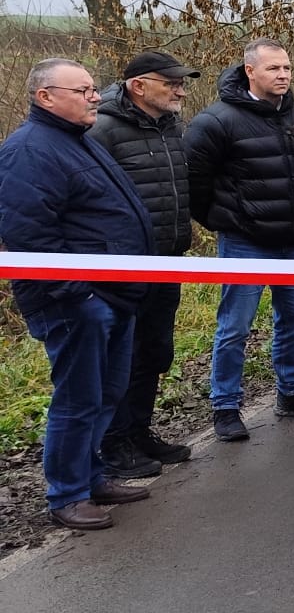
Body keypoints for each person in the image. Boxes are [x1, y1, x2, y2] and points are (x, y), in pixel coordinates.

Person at [0, 59, 154, 530]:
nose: (95, 97)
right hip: (76, 303)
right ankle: (67, 494)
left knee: (106, 393)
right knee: (78, 398)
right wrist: (80, 296)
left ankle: (91, 476)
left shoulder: (77, 139)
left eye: (93, 89)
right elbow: (29, 236)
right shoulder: (29, 151)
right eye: (83, 90)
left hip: (113, 294)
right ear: (45, 96)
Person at [184, 37, 294, 440]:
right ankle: (225, 406)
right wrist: (225, 220)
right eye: (273, 68)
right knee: (235, 327)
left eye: (287, 67)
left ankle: (291, 392)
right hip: (245, 242)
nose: (283, 75)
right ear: (250, 71)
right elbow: (194, 182)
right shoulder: (216, 121)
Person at [87, 49, 200, 478]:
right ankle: (113, 445)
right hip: (122, 266)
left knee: (154, 350)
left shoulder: (171, 126)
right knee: (123, 355)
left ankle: (138, 433)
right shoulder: (102, 129)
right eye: (171, 83)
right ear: (138, 86)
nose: (180, 91)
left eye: (181, 83)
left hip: (167, 260)